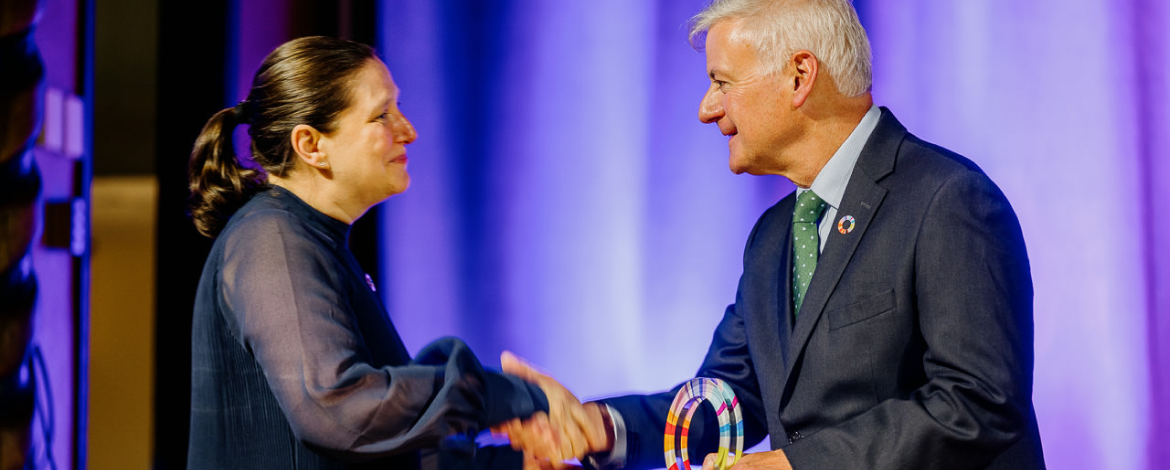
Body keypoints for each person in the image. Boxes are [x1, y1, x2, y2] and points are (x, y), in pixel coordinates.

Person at [500, 0, 1046, 469]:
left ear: (799, 76)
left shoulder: (947, 199)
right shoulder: (773, 237)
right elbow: (730, 400)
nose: (706, 109)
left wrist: (793, 465)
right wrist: (598, 425)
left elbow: (979, 403)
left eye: (721, 83)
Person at [185, 36, 597, 470]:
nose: (408, 131)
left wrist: (516, 465)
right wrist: (509, 396)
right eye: (382, 115)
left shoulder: (305, 240)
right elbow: (340, 409)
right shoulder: (274, 242)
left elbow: (381, 447)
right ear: (310, 145)